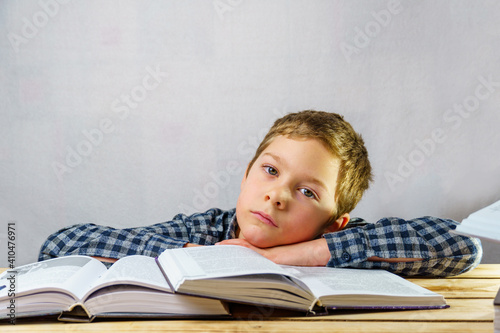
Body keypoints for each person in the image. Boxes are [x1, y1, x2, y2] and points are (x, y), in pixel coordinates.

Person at [38, 110, 482, 276]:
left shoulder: (341, 241)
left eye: (307, 192)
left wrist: (298, 256)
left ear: (334, 221)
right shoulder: (206, 230)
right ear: (247, 174)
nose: (277, 196)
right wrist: (205, 257)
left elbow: (463, 245)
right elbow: (59, 244)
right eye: (269, 171)